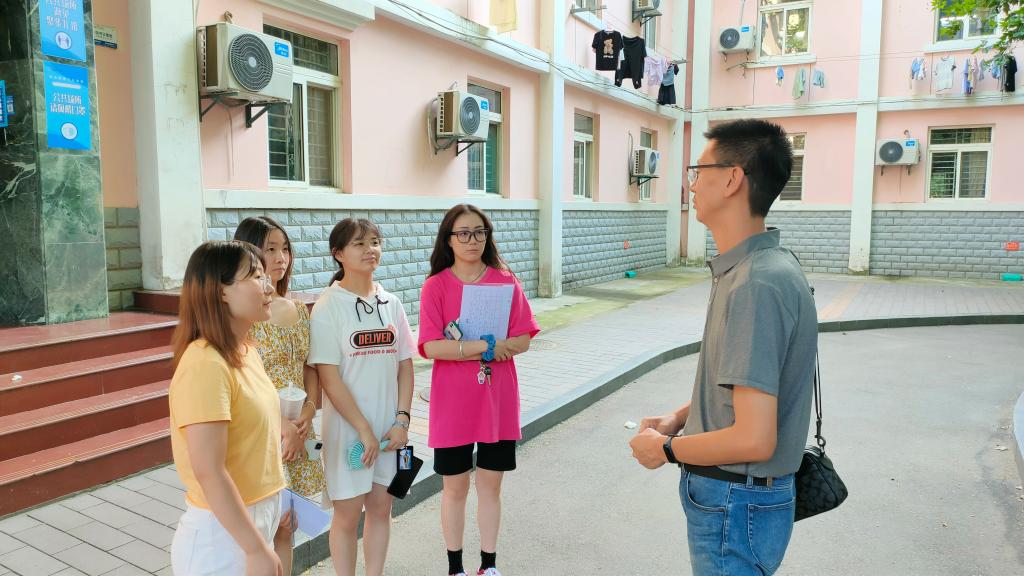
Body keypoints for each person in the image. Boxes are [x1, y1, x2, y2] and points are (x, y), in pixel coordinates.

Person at [630, 119, 817, 576]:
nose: (691, 184)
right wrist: (681, 417)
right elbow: (748, 382)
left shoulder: (756, 283)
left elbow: (755, 438)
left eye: (699, 170)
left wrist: (666, 449)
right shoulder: (759, 267)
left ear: (733, 178)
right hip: (741, 498)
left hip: (736, 500)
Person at [418, 204, 540, 576]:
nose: (472, 240)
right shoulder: (436, 286)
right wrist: (482, 347)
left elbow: (524, 338)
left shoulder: (505, 280)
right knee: (454, 488)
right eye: (463, 233)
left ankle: (488, 565)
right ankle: (455, 567)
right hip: (453, 403)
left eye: (479, 232)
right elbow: (429, 346)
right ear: (449, 240)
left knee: (490, 486)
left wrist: (497, 347)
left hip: (496, 399)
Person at [168, 241, 286, 576]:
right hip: (220, 538)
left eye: (265, 276)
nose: (268, 287)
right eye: (256, 276)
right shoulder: (205, 363)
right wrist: (256, 549)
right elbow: (209, 471)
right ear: (221, 291)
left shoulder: (246, 351)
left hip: (252, 521)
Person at [308, 218, 415, 576]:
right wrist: (363, 430)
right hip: (349, 434)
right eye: (359, 244)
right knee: (347, 515)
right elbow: (328, 378)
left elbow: (405, 365)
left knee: (382, 508)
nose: (371, 250)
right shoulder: (328, 306)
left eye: (375, 242)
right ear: (338, 253)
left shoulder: (391, 302)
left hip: (390, 433)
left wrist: (402, 421)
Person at [234, 216, 327, 575]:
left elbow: (309, 369)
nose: (280, 257)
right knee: (261, 526)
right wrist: (281, 426)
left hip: (299, 432)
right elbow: (241, 381)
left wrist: (308, 412)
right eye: (270, 249)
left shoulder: (298, 310)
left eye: (285, 248)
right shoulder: (243, 316)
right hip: (260, 432)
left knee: (288, 525)